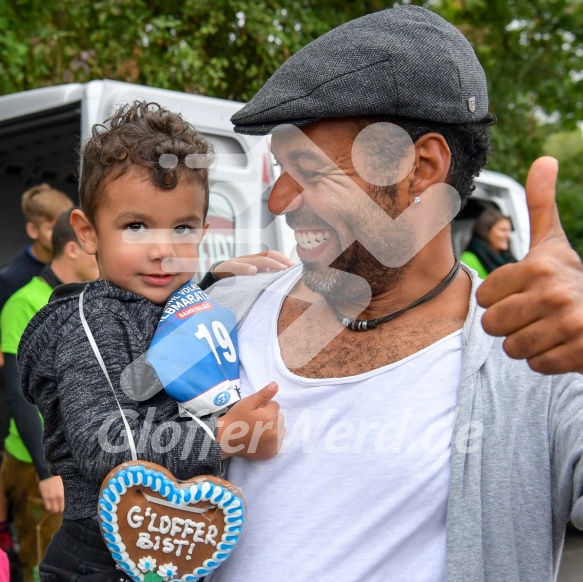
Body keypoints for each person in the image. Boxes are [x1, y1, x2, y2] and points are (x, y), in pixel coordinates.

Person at [204, 5, 583, 582]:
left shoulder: (537, 363)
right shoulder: (229, 310)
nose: (278, 201)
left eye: (308, 169)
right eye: (279, 169)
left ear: (421, 167)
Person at [18, 101, 286, 581]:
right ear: (88, 232)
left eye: (182, 228)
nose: (163, 250)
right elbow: (104, 444)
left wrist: (211, 284)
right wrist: (225, 436)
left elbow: (159, 334)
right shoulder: (90, 319)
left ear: (205, 230)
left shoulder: (169, 300)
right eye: (136, 226)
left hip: (168, 541)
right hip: (99, 557)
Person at [0, 208, 99, 582]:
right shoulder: (24, 303)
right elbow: (17, 395)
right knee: (39, 566)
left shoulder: (88, 300)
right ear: (72, 249)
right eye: (93, 247)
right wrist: (47, 471)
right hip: (36, 464)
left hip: (75, 463)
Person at [0, 184, 74, 312]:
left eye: (66, 227)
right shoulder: (10, 279)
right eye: (52, 229)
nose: (62, 235)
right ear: (33, 230)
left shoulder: (78, 267)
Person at [460, 208, 517, 277]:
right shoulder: (468, 259)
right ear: (486, 232)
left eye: (509, 231)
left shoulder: (508, 258)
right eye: (502, 230)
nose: (508, 236)